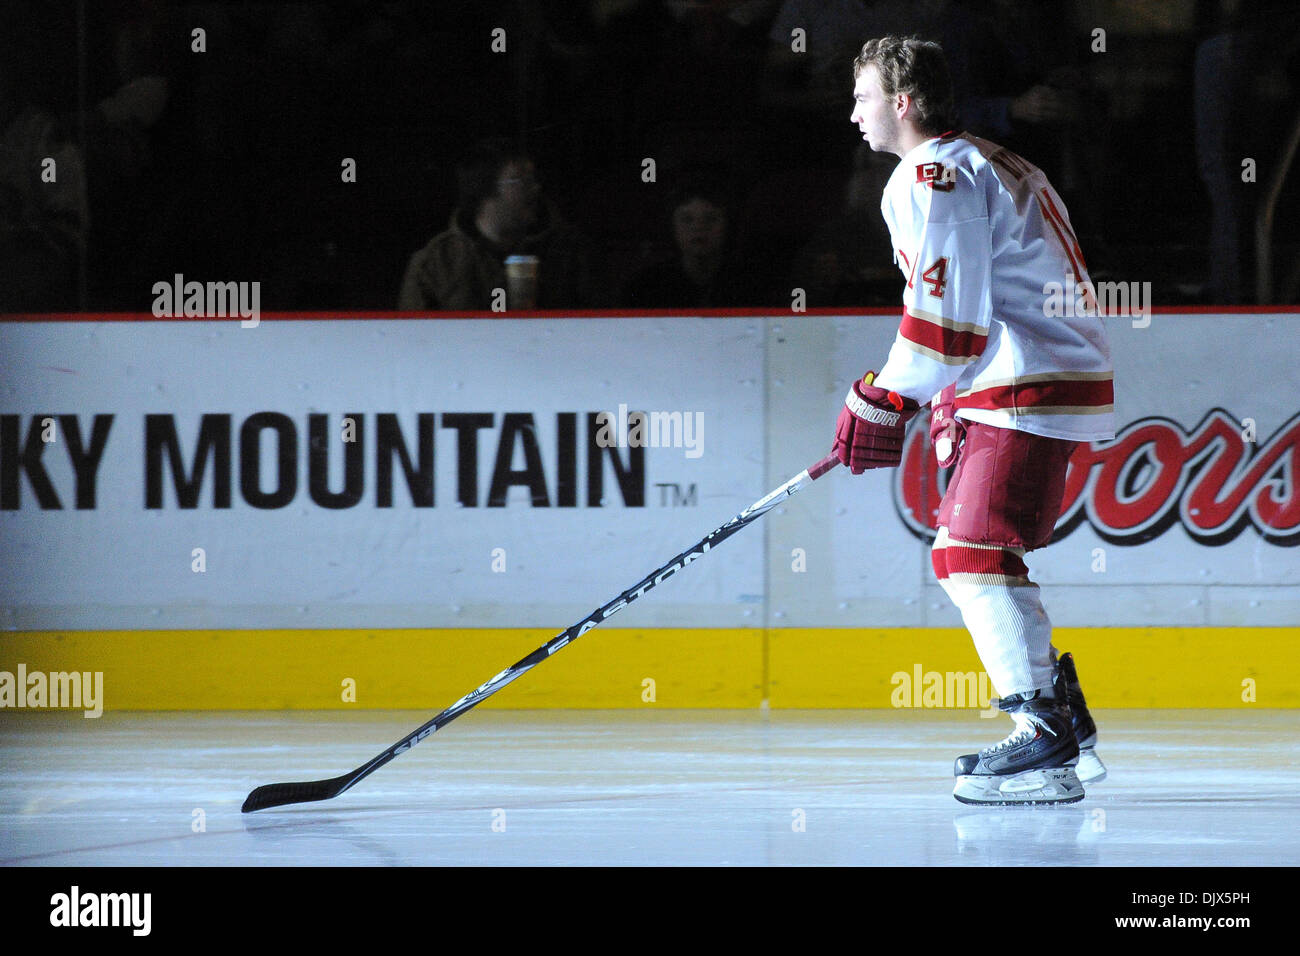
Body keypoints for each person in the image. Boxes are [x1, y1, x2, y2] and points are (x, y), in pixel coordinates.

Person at [831, 35, 1112, 805]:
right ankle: (1061, 722)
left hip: (1024, 373)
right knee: (981, 554)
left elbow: (946, 321)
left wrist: (884, 396)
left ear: (902, 101)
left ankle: (1041, 736)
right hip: (1033, 369)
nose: (851, 114)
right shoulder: (992, 158)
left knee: (969, 556)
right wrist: (918, 391)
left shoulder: (932, 172)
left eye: (861, 98)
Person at [399, 138, 604, 311]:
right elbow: (414, 341)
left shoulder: (572, 251)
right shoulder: (436, 263)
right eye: (520, 181)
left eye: (533, 179)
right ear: (484, 190)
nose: (535, 188)